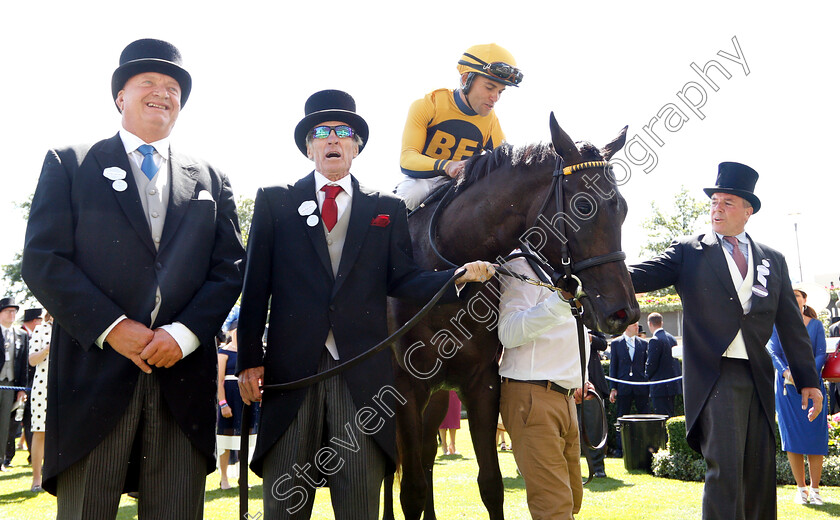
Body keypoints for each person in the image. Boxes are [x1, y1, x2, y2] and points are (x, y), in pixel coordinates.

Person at [236, 89, 495, 520]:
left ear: (357, 146)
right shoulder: (274, 201)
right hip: (291, 372)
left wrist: (455, 277)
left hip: (363, 373)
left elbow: (403, 280)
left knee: (359, 500)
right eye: (322, 132)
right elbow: (254, 286)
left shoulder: (386, 207)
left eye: (344, 132)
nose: (333, 139)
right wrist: (248, 359)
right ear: (308, 146)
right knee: (284, 502)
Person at [21, 38, 245, 519]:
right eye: (148, 82)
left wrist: (182, 335)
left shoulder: (211, 178)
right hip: (93, 379)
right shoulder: (71, 162)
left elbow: (230, 269)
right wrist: (113, 327)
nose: (162, 93)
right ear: (120, 96)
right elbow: (43, 259)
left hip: (181, 382)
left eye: (173, 87)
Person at [628, 162, 823, 520]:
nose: (717, 208)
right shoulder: (688, 250)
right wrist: (594, 272)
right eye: (714, 201)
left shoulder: (772, 260)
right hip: (715, 375)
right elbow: (642, 274)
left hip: (759, 376)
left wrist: (809, 381)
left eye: (727, 202)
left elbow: (791, 326)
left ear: (748, 211)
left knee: (761, 473)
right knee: (726, 470)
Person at [497, 256, 587, 519]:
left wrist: (582, 377)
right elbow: (509, 332)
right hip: (532, 395)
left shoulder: (571, 269)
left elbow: (573, 333)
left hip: (565, 398)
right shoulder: (522, 266)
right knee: (554, 508)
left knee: (571, 501)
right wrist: (560, 303)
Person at [394, 43, 522, 210]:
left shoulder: (492, 122)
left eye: (500, 91)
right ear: (465, 79)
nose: (495, 98)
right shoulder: (428, 105)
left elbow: (506, 166)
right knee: (407, 197)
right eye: (490, 87)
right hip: (423, 181)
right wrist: (447, 166)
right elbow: (407, 159)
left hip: (462, 186)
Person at [767, 284, 829, 505]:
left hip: (813, 386)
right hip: (786, 388)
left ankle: (815, 490)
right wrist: (786, 372)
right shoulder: (777, 324)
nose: (792, 299)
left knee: (815, 437)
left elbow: (821, 353)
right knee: (791, 438)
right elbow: (772, 351)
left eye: (796, 295)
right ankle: (801, 489)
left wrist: (806, 375)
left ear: (805, 299)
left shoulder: (817, 326)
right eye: (789, 296)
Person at [216, 317, 257, 490]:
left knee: (244, 441)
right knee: (225, 441)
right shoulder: (223, 353)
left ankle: (243, 477)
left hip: (247, 400)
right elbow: (219, 382)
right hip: (229, 400)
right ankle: (224, 478)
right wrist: (223, 403)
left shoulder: (250, 354)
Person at [0, 297, 28, 472]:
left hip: (10, 385)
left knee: (4, 424)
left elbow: (24, 363)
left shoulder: (22, 335)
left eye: (14, 311)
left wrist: (22, 388)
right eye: (8, 311)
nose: (12, 314)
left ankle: (1, 460)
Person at [580, 331, 609, 478]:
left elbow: (603, 343)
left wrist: (589, 337)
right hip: (565, 380)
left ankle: (598, 467)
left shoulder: (590, 320)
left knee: (593, 428)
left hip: (591, 383)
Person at [28, 312, 52, 492]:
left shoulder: (72, 327)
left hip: (67, 387)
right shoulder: (40, 329)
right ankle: (37, 480)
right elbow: (31, 360)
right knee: (40, 432)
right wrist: (46, 350)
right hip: (43, 387)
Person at [645, 312, 678, 417]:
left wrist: (646, 376)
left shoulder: (655, 340)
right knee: (670, 413)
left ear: (650, 324)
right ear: (661, 323)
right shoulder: (672, 338)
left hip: (660, 386)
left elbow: (652, 364)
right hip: (672, 385)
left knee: (661, 416)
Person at [438, 390, 461, 455]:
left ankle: (452, 445)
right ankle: (444, 445)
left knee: (454, 419)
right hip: (441, 391)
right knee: (442, 419)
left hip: (454, 391)